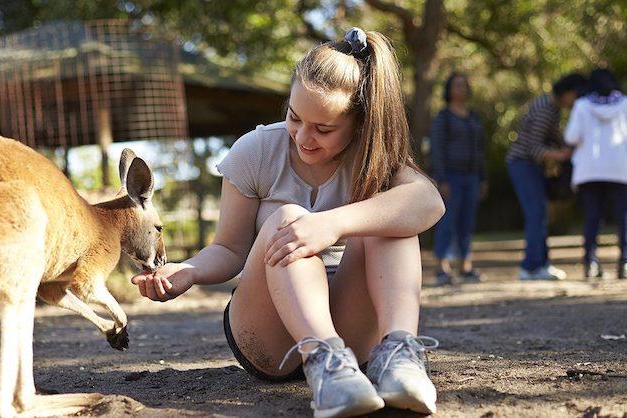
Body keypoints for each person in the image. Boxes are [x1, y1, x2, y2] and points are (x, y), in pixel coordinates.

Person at [130, 27, 445, 417]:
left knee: (390, 217)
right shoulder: (257, 150)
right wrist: (190, 271)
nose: (303, 137)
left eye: (324, 129)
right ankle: (326, 364)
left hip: (352, 326)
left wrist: (332, 224)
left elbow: (428, 203)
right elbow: (230, 249)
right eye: (295, 118)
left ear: (361, 124)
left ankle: (399, 357)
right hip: (269, 332)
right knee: (290, 218)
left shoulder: (374, 156)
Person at [505, 73, 586, 281]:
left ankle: (541, 264)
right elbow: (533, 147)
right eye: (576, 96)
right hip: (522, 164)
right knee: (535, 213)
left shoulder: (552, 107)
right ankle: (529, 267)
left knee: (540, 213)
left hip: (531, 166)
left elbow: (552, 137)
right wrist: (561, 155)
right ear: (567, 92)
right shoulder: (544, 108)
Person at [564, 68, 627, 279]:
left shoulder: (582, 105)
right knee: (623, 217)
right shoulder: (625, 103)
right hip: (620, 169)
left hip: (590, 170)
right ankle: (625, 261)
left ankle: (590, 261)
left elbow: (571, 137)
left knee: (592, 216)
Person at [430, 73, 487, 285]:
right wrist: (441, 178)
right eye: (457, 85)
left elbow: (480, 149)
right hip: (450, 177)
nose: (462, 89)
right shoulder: (443, 117)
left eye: (464, 85)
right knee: (447, 221)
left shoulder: (473, 117)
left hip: (472, 176)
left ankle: (465, 265)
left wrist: (483, 178)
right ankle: (442, 267)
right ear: (449, 89)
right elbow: (437, 149)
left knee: (467, 222)